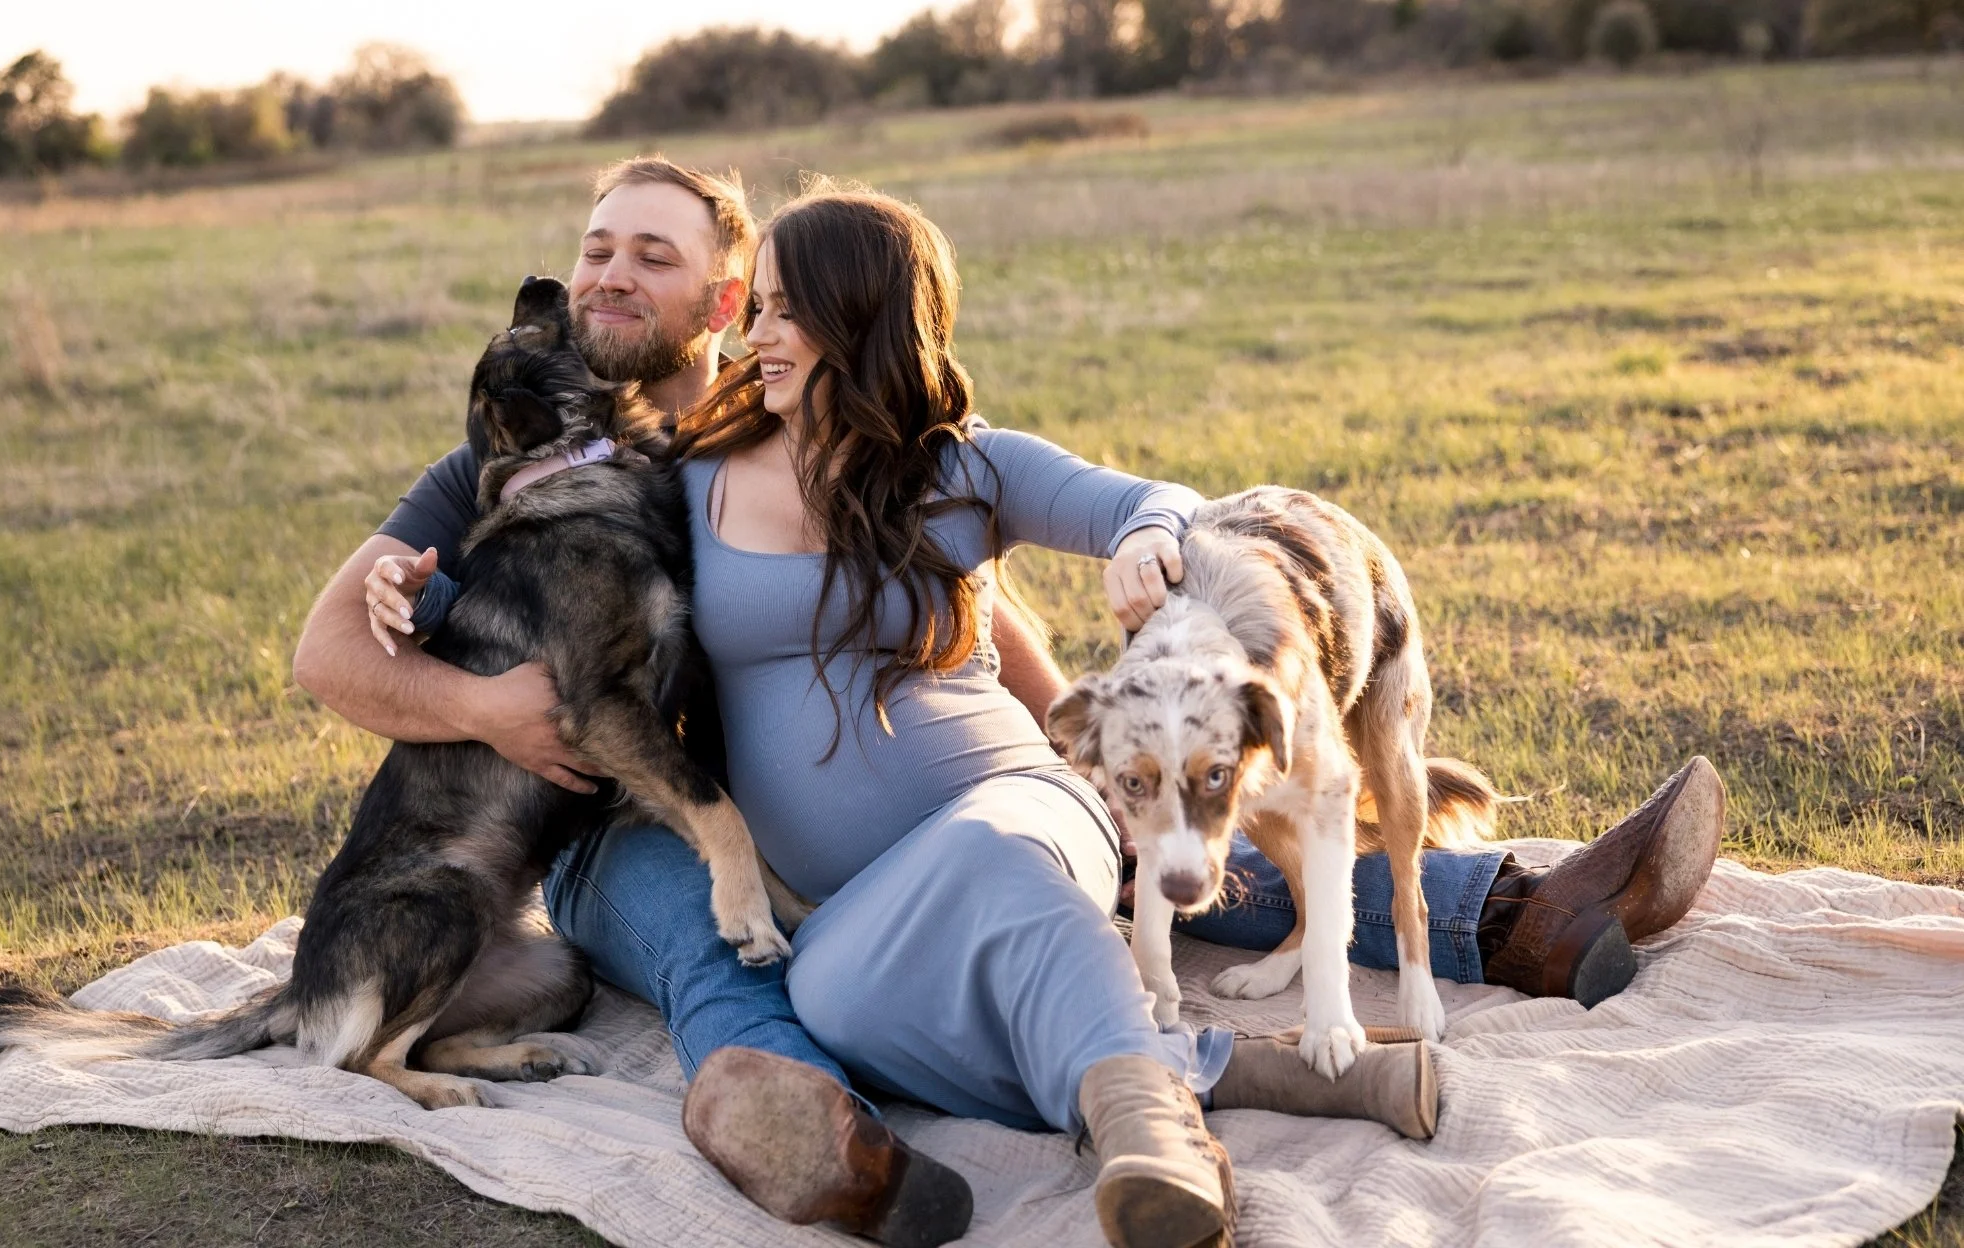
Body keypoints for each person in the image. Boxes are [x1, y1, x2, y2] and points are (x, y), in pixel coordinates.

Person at [296, 163, 1727, 1248]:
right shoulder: (559, 451)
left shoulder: (823, 424)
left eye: (649, 256)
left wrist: (1084, 708)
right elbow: (339, 650)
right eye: (593, 249)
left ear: (728, 301)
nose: (607, 276)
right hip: (652, 821)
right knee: (764, 951)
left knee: (1074, 857)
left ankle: (1491, 918)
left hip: (939, 811)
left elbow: (976, 563)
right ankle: (815, 1114)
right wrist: (462, 682)